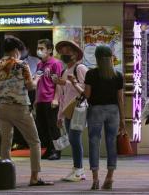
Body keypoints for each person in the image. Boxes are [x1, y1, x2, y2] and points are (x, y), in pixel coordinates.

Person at [0, 37, 53, 186]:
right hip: (19, 107)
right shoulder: (22, 65)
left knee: (6, 142)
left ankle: (6, 177)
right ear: (17, 50)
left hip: (2, 108)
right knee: (35, 142)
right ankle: (34, 177)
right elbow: (31, 87)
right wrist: (37, 78)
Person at [83, 45, 126, 190]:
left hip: (95, 110)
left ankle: (95, 179)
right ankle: (110, 177)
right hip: (113, 111)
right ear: (111, 57)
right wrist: (122, 119)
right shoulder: (118, 75)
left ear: (96, 58)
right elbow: (120, 99)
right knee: (111, 143)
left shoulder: (91, 74)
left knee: (94, 142)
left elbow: (87, 95)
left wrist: (77, 86)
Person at [54, 40, 88, 182]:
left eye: (68, 51)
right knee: (73, 139)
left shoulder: (80, 68)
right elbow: (62, 96)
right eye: (62, 51)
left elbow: (86, 89)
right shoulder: (64, 71)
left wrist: (67, 82)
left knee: (74, 139)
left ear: (75, 54)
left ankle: (79, 170)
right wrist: (60, 115)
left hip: (79, 109)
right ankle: (77, 169)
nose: (64, 54)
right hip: (68, 110)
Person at [35, 39, 64, 160]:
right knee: (42, 127)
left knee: (53, 127)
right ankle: (48, 149)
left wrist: (56, 98)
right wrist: (36, 100)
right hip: (40, 100)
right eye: (38, 48)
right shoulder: (39, 64)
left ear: (50, 50)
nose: (39, 51)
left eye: (42, 48)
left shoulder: (55, 63)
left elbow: (58, 83)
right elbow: (38, 82)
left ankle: (57, 151)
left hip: (50, 99)